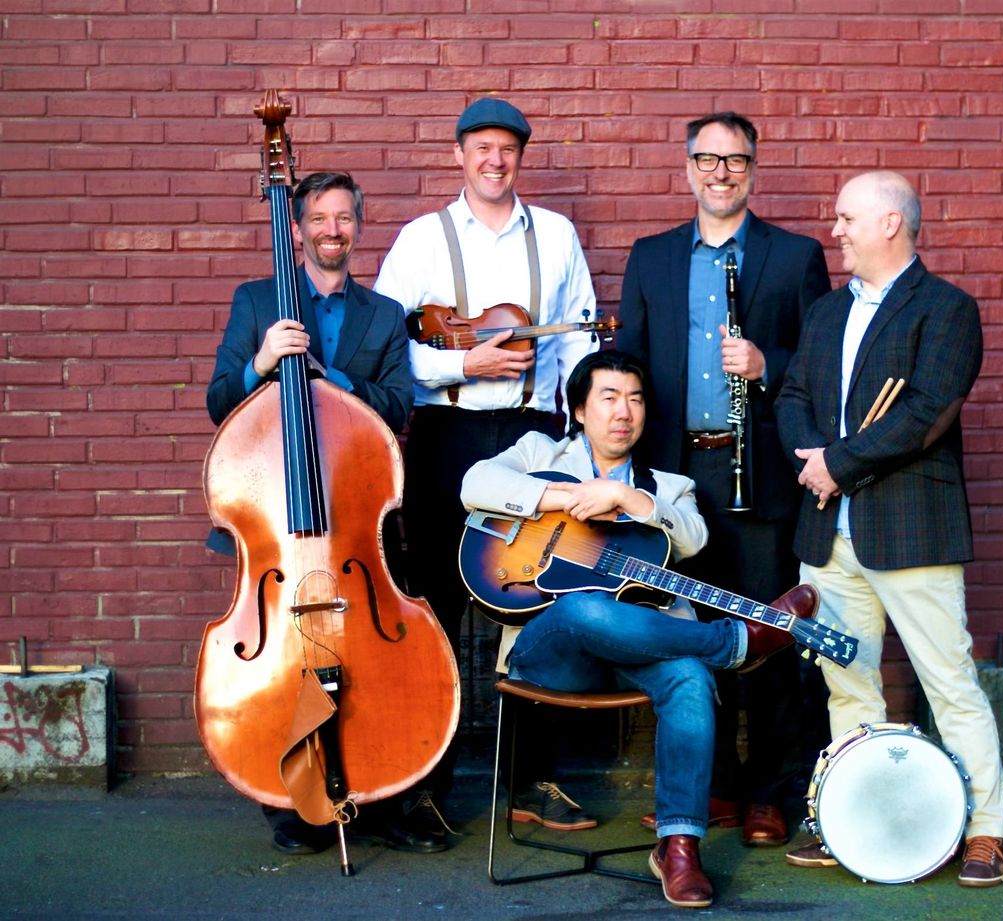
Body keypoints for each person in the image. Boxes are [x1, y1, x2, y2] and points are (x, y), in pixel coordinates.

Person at [460, 351, 814, 909]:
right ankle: (734, 644)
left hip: (641, 647)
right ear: (579, 410)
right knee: (583, 609)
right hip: (551, 653)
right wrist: (566, 498)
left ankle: (678, 847)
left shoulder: (669, 487)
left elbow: (693, 537)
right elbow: (474, 483)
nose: (623, 412)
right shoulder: (538, 453)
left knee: (690, 681)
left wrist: (629, 499)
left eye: (635, 398)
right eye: (608, 397)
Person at [775, 170, 1003, 887]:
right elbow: (791, 395)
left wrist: (837, 463)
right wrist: (811, 460)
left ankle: (987, 829)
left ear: (890, 224)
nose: (835, 229)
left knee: (950, 681)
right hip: (828, 532)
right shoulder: (823, 313)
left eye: (847, 217)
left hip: (911, 530)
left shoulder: (946, 310)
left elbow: (925, 416)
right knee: (848, 686)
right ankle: (853, 818)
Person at [207, 171, 450, 856]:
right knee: (286, 661)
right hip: (279, 539)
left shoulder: (382, 313)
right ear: (296, 228)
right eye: (318, 218)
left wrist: (328, 376)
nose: (332, 230)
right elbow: (220, 400)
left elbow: (399, 406)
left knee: (379, 663)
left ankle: (384, 790)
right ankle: (291, 800)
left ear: (358, 227)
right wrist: (261, 365)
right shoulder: (256, 302)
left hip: (354, 527)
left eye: (344, 218)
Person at [373, 98, 599, 834]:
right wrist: (457, 362)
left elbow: (579, 345)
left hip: (531, 438)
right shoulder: (419, 240)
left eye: (506, 148)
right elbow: (384, 349)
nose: (494, 160)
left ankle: (534, 782)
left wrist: (578, 435)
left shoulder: (557, 236)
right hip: (445, 431)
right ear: (459, 155)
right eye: (481, 148)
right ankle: (422, 787)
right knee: (437, 603)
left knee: (536, 595)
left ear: (520, 157)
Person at [618, 111, 831, 846]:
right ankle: (712, 787)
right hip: (676, 478)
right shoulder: (650, 258)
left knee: (767, 632)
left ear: (753, 169)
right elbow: (629, 368)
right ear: (687, 167)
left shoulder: (796, 255)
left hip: (762, 474)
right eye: (707, 159)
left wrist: (767, 365)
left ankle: (774, 790)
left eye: (735, 160)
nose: (720, 172)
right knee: (690, 633)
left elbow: (822, 367)